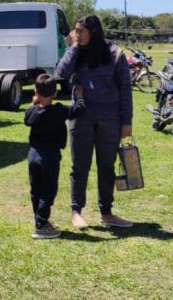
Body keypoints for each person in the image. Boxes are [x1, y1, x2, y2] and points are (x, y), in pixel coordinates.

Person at [56, 15, 134, 229]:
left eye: (81, 31)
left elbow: (125, 89)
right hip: (81, 118)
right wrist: (73, 47)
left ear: (94, 31)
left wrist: (126, 121)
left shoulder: (116, 54)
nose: (76, 35)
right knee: (79, 166)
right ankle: (76, 211)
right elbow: (61, 72)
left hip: (110, 118)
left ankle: (106, 212)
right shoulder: (76, 52)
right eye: (75, 31)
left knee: (106, 166)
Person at [25, 74, 83, 239]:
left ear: (35, 91)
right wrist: (80, 98)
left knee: (36, 190)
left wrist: (34, 102)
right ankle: (41, 226)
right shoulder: (59, 110)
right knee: (48, 190)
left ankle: (40, 219)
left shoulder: (31, 111)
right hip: (49, 156)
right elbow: (77, 110)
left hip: (33, 154)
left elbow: (28, 119)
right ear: (55, 93)